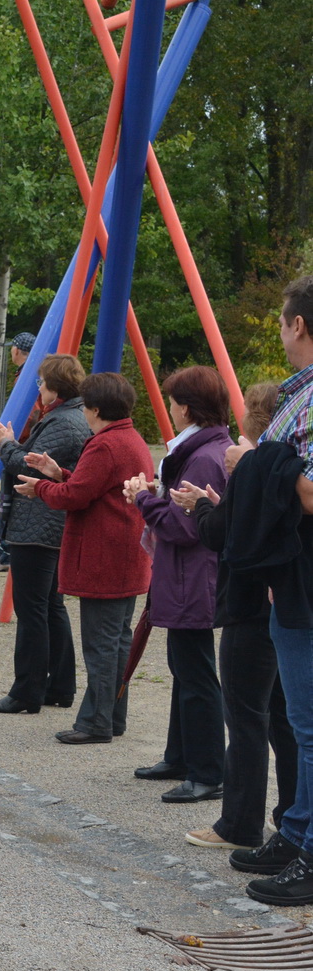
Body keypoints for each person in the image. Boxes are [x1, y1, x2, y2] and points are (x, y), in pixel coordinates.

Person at [219, 275, 313, 905]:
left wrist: (254, 464)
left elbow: (307, 489)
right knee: (300, 722)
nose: (280, 331)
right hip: (291, 581)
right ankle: (298, 829)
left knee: (309, 727)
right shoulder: (296, 396)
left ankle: (309, 852)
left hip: (306, 584)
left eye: (282, 321)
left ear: (298, 325)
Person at [176, 382, 298, 851]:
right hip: (280, 603)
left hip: (248, 606)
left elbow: (225, 535)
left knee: (246, 717)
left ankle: (239, 824)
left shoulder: (253, 465)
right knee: (283, 718)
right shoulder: (286, 468)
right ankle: (290, 815)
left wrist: (203, 506)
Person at [14, 372, 154, 746]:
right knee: (118, 640)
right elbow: (94, 486)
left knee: (101, 644)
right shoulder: (130, 439)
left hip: (104, 557)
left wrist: (41, 486)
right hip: (128, 556)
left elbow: (75, 497)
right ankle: (111, 716)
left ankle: (95, 722)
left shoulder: (105, 444)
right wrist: (58, 473)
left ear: (95, 408)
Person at [125, 367, 232, 802]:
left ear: (186, 407)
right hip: (188, 576)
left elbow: (186, 527)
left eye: (172, 401)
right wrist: (157, 493)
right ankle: (181, 756)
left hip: (193, 577)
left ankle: (206, 771)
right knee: (185, 669)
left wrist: (143, 499)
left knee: (196, 674)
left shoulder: (204, 455)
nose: (170, 408)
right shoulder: (207, 448)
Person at [0, 353, 89, 714]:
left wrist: (6, 443)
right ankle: (59, 686)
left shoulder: (64, 421)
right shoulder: (71, 416)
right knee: (50, 606)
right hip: (48, 523)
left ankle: (27, 692)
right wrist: (5, 442)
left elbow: (28, 464)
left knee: (33, 608)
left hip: (39, 524)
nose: (38, 387)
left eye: (41, 381)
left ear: (55, 386)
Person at [0, 331, 40, 573]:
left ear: (16, 351)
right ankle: (3, 549)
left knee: (8, 499)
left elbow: (31, 413)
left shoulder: (28, 376)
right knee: (8, 499)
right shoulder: (31, 374)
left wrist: (10, 437)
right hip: (21, 443)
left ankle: (7, 551)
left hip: (19, 444)